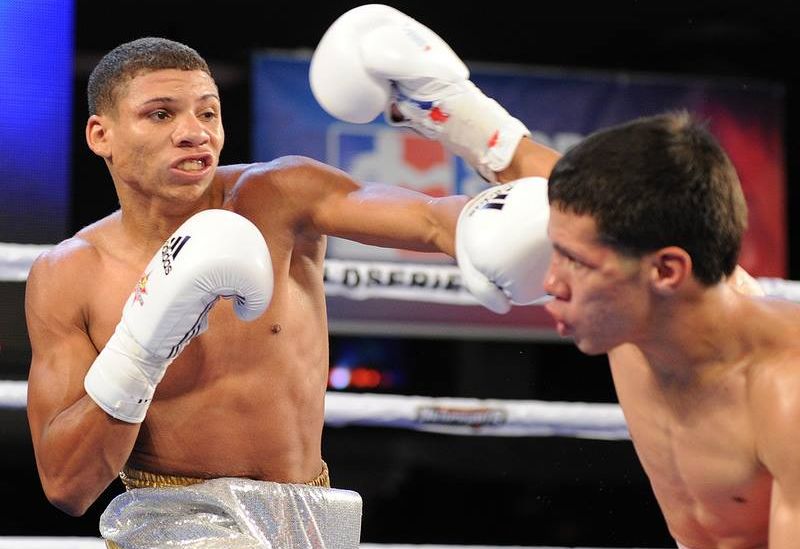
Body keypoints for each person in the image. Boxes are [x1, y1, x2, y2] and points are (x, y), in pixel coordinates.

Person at [24, 33, 557, 547]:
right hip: (171, 523)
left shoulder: (281, 195)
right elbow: (66, 486)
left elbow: (437, 220)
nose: (195, 132)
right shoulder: (69, 275)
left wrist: (491, 171)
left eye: (208, 112)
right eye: (161, 114)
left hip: (312, 516)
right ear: (101, 135)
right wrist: (142, 347)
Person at [311, 5, 800, 549]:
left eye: (576, 262)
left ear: (665, 271)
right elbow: (542, 177)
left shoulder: (786, 396)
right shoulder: (644, 286)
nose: (552, 280)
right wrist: (444, 104)